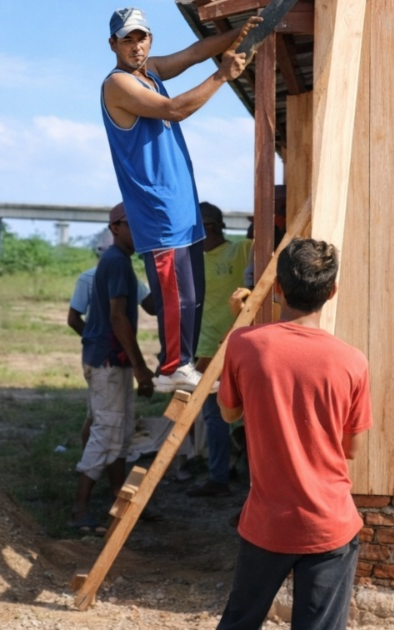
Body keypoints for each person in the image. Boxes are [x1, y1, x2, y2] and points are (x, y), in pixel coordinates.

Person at [102, 7, 260, 394]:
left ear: (149, 39)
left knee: (193, 295)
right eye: (127, 39)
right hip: (157, 207)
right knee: (176, 293)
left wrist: (243, 32)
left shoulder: (151, 71)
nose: (136, 45)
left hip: (182, 201)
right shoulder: (118, 85)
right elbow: (175, 110)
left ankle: (183, 363)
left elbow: (194, 52)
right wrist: (223, 74)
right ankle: (172, 366)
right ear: (114, 45)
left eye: (141, 37)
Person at [216, 238, 372, 630]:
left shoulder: (243, 343)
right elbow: (352, 448)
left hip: (267, 521)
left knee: (239, 621)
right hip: (329, 523)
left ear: (279, 288)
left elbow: (229, 411)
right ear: (332, 292)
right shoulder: (353, 361)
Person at [70, 203, 155, 533]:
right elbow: (119, 318)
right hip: (110, 361)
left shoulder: (121, 262)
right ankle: (79, 510)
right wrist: (140, 367)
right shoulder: (117, 261)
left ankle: (120, 504)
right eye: (132, 225)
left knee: (119, 432)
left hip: (108, 359)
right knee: (106, 433)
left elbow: (152, 308)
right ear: (116, 228)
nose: (139, 232)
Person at [188, 202, 252, 498]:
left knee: (219, 414)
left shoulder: (241, 251)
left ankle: (220, 477)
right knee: (220, 414)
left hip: (227, 346)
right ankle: (223, 473)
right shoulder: (192, 260)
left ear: (209, 227)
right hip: (204, 347)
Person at [68, 229, 155, 448]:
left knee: (100, 415)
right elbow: (75, 319)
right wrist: (98, 339)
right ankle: (90, 467)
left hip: (109, 355)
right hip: (107, 357)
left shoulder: (123, 275)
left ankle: (99, 469)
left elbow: (151, 306)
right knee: (104, 419)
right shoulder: (92, 277)